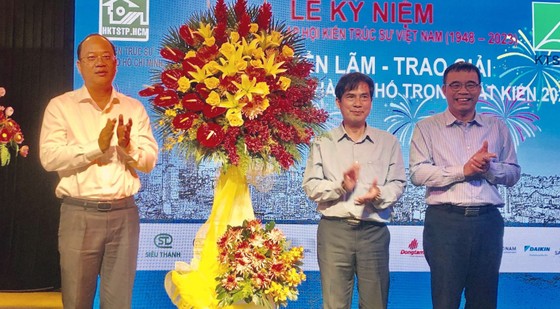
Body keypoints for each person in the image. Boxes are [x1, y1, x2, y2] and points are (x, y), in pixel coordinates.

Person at [39, 34, 158, 309]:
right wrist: (97, 146)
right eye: (91, 58)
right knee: (77, 299)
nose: (100, 63)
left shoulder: (133, 108)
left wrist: (127, 147)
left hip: (124, 214)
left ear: (117, 63)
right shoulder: (61, 107)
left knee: (119, 302)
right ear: (79, 66)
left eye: (106, 57)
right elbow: (49, 157)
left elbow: (150, 161)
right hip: (79, 214)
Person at [409, 61, 521, 309]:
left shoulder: (497, 127)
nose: (463, 91)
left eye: (470, 85)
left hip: (488, 223)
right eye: (455, 85)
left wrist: (488, 168)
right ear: (444, 90)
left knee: (484, 301)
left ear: (480, 89)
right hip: (445, 223)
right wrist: (464, 171)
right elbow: (417, 173)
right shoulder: (427, 128)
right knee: (445, 301)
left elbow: (513, 174)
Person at [302, 72, 406, 309]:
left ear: (371, 101)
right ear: (338, 102)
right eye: (351, 97)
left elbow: (398, 184)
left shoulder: (388, 142)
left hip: (374, 232)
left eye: (364, 97)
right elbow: (311, 186)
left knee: (375, 303)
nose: (358, 103)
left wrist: (377, 194)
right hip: (334, 232)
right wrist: (341, 187)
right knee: (335, 303)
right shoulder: (322, 142)